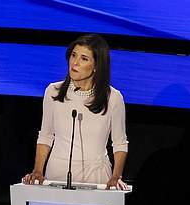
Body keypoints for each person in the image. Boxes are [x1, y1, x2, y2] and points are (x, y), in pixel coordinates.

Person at [23, 34, 128, 190]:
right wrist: (37, 170)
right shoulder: (53, 92)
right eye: (73, 55)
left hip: (96, 179)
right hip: (57, 175)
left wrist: (115, 177)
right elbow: (46, 135)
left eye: (84, 58)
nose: (75, 62)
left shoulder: (113, 98)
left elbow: (119, 144)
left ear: (97, 65)